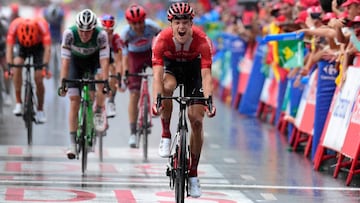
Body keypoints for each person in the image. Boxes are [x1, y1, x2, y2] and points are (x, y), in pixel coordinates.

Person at [151, 2, 216, 198]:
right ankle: (165, 134)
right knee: (167, 87)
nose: (181, 27)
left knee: (196, 120)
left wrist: (209, 101)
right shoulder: (161, 40)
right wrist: (157, 100)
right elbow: (156, 76)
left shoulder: (202, 40)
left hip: (194, 71)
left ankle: (194, 174)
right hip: (172, 69)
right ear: (170, 24)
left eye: (185, 22)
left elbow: (206, 76)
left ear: (191, 23)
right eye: (177, 22)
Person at [58, 9, 110, 159]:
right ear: (77, 28)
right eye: (82, 31)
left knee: (98, 81)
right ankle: (73, 144)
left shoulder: (101, 35)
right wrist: (63, 82)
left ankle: (97, 111)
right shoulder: (69, 34)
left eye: (88, 32)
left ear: (94, 28)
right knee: (74, 101)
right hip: (75, 62)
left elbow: (104, 60)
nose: (84, 35)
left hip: (93, 62)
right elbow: (65, 61)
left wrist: (105, 81)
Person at [118, 4, 161, 148]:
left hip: (149, 53)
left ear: (144, 20)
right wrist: (125, 73)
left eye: (140, 22)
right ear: (129, 23)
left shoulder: (152, 27)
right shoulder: (126, 34)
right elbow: (123, 55)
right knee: (134, 94)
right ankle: (132, 132)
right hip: (133, 57)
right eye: (134, 23)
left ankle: (156, 103)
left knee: (159, 75)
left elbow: (163, 39)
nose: (137, 26)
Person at [6, 17, 51, 123]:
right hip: (21, 45)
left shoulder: (42, 25)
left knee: (39, 78)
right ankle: (18, 103)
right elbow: (9, 48)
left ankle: (40, 110)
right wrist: (9, 67)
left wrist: (45, 67)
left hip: (38, 46)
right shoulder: (14, 26)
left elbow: (47, 49)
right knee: (16, 65)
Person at [100, 14, 122, 118]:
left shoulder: (116, 38)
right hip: (97, 58)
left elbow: (119, 60)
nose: (108, 35)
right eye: (106, 32)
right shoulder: (97, 36)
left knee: (114, 71)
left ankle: (111, 101)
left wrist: (118, 76)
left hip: (109, 58)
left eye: (111, 32)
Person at [43, 3, 65, 83]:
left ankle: (60, 68)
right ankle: (47, 66)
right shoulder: (45, 13)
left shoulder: (61, 14)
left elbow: (63, 26)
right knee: (48, 51)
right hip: (50, 34)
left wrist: (62, 39)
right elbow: (44, 25)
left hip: (58, 34)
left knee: (60, 52)